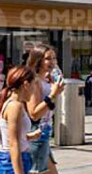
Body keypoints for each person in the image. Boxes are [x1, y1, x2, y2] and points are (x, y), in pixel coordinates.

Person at [0, 66, 41, 174]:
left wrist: (30, 136)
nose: (34, 90)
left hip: (12, 161)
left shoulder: (13, 104)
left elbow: (12, 136)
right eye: (34, 85)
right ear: (26, 85)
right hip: (11, 164)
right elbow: (13, 143)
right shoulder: (15, 106)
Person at [25, 45, 65, 174]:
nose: (52, 62)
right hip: (37, 133)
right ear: (38, 60)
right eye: (48, 58)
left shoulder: (45, 79)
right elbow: (34, 114)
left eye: (54, 58)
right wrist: (52, 95)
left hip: (45, 132)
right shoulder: (35, 81)